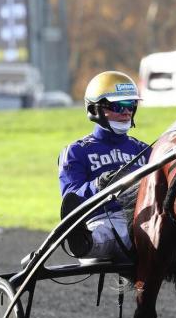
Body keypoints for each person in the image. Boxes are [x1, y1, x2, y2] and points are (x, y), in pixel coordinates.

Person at [58, 71, 150, 260]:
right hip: (102, 220)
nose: (126, 112)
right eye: (118, 105)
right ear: (95, 109)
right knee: (113, 232)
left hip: (144, 220)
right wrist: (98, 185)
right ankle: (84, 242)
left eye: (131, 105)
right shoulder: (76, 151)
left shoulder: (144, 150)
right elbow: (71, 197)